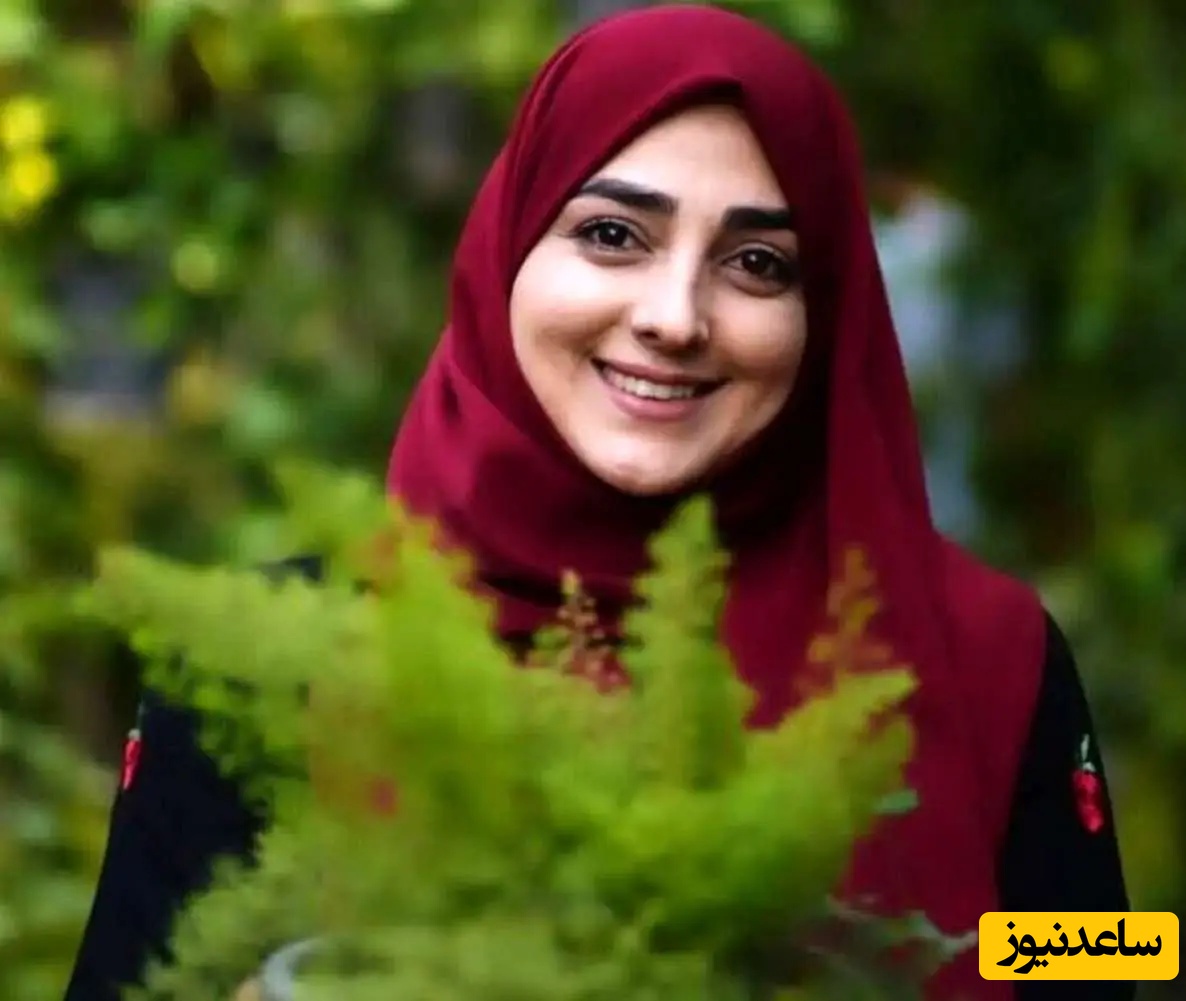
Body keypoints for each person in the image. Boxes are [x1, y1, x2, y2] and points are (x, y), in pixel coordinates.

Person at [64, 6, 1131, 1000]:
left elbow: (1108, 956)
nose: (675, 316)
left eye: (758, 263)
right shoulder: (258, 675)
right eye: (614, 235)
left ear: (826, 314)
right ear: (508, 248)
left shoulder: (990, 657)